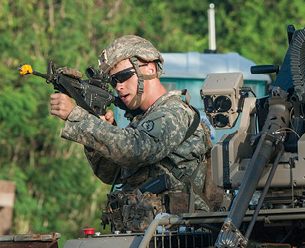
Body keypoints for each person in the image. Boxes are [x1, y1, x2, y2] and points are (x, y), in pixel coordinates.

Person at [49, 35, 214, 231]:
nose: (118, 86)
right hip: (147, 237)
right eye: (113, 81)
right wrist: (98, 129)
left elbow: (136, 150)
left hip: (179, 237)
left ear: (150, 69)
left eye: (123, 76)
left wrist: (78, 117)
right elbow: (110, 174)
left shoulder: (174, 112)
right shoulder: (142, 121)